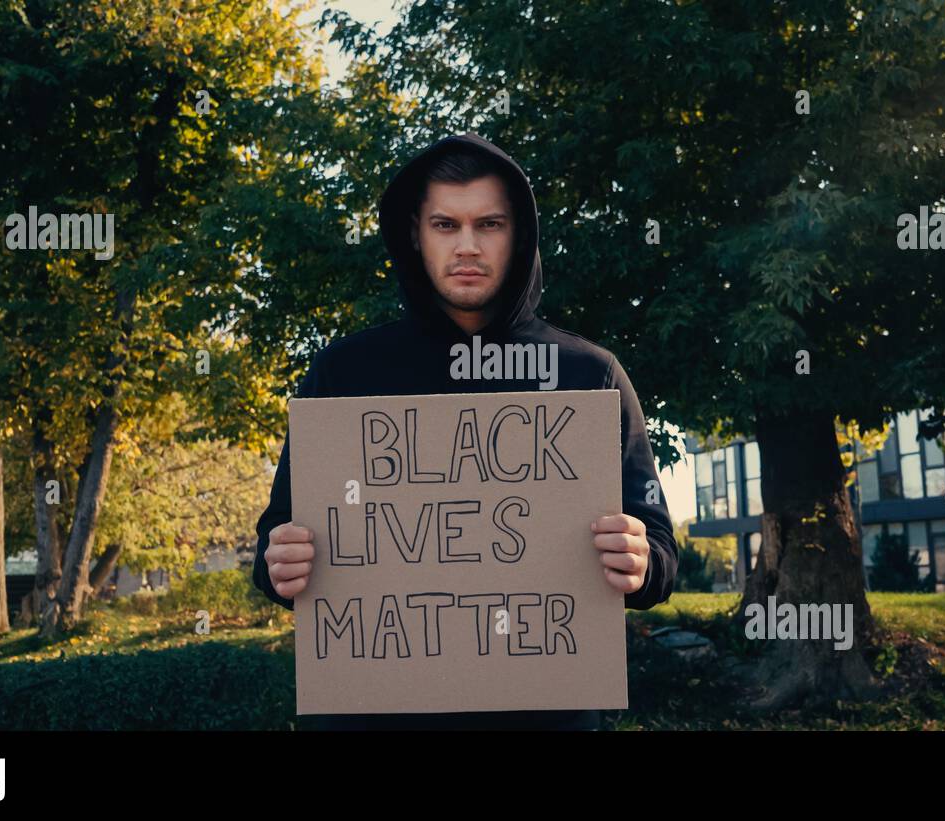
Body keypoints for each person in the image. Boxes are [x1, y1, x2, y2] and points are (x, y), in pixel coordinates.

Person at [253, 132, 678, 730]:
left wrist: (642, 560)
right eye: (446, 225)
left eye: (491, 224)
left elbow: (659, 546)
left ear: (520, 234)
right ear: (415, 236)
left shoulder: (588, 373)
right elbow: (277, 534)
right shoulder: (344, 371)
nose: (468, 246)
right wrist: (279, 565)